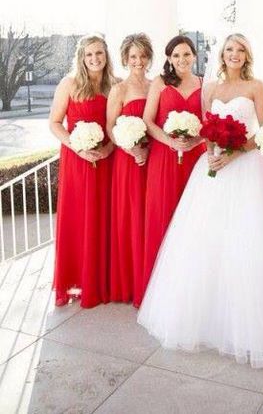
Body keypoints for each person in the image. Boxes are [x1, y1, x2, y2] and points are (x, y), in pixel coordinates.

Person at [138, 33, 263, 368]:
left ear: (247, 55)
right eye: (229, 49)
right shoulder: (211, 88)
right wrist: (214, 152)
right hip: (212, 169)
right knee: (206, 244)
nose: (234, 54)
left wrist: (235, 153)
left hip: (248, 171)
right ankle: (209, 321)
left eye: (240, 49)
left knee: (247, 244)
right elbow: (207, 127)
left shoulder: (257, 86)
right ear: (222, 54)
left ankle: (249, 327)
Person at [50, 34, 116, 308]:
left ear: (106, 55)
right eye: (89, 55)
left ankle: (102, 281)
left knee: (104, 217)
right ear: (82, 57)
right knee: (78, 216)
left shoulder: (115, 85)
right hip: (77, 160)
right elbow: (55, 123)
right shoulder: (69, 84)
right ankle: (77, 279)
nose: (95, 59)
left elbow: (118, 125)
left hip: (106, 159)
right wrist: (77, 147)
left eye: (99, 53)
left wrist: (108, 149)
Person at [142, 35, 205, 295]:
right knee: (163, 214)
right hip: (164, 157)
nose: (182, 60)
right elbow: (148, 120)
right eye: (176, 55)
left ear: (194, 56)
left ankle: (192, 287)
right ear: (169, 58)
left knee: (195, 219)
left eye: (187, 54)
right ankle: (161, 289)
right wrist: (170, 141)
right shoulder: (159, 83)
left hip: (195, 157)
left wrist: (196, 140)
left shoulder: (204, 83)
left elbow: (209, 121)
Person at [107, 33, 153, 308]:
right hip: (129, 160)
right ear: (125, 59)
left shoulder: (156, 84)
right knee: (134, 217)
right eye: (133, 56)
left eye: (142, 56)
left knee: (153, 216)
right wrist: (131, 148)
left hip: (155, 157)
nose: (138, 61)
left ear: (149, 57)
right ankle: (134, 283)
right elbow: (111, 127)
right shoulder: (119, 90)